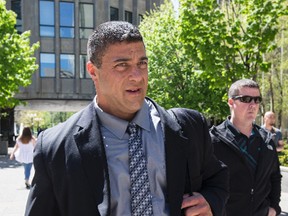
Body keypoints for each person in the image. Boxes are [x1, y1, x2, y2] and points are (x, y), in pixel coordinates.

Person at [25, 21, 228, 216]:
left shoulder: (189, 127)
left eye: (142, 63)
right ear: (93, 71)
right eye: (122, 65)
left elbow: (218, 179)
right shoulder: (55, 148)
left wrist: (210, 201)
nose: (138, 76)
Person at [210, 79, 282, 216]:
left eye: (257, 100)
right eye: (246, 99)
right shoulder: (213, 140)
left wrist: (274, 208)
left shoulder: (267, 140)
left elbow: (274, 176)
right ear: (231, 102)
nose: (253, 105)